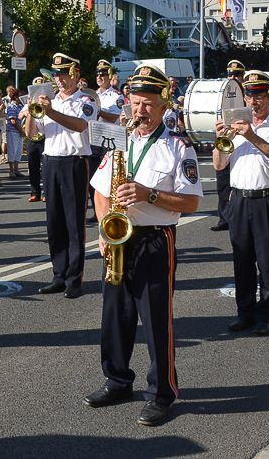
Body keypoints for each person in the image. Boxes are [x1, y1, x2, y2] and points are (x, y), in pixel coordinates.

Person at [85, 65, 203, 427]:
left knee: (155, 321)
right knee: (114, 318)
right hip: (120, 237)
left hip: (155, 239)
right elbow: (100, 190)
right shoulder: (120, 139)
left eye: (148, 104)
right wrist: (106, 231)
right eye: (135, 103)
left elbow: (191, 203)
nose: (140, 111)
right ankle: (118, 380)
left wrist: (149, 193)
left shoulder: (178, 147)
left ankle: (162, 393)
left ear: (163, 105)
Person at [214, 71, 269, 336]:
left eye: (259, 96)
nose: (254, 102)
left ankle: (266, 314)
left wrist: (252, 137)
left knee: (268, 261)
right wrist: (219, 141)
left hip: (266, 200)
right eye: (250, 95)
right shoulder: (234, 128)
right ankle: (244, 311)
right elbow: (219, 164)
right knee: (242, 259)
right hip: (239, 200)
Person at [36, 53, 99, 298]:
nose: (59, 80)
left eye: (63, 75)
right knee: (54, 222)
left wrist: (49, 112)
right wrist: (33, 113)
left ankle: (74, 279)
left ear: (76, 76)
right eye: (56, 76)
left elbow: (81, 126)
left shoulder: (86, 100)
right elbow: (34, 134)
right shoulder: (49, 102)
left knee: (74, 223)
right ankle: (58, 275)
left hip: (74, 162)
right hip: (51, 161)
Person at [210, 60, 245, 232]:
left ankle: (240, 217)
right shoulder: (222, 94)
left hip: (244, 144)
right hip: (226, 141)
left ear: (242, 76)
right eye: (230, 74)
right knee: (223, 183)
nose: (233, 77)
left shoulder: (248, 94)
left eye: (236, 75)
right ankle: (224, 218)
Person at [92, 59, 124, 217]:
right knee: (95, 177)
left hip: (110, 139)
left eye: (103, 74)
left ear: (109, 76)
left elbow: (113, 117)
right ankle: (98, 210)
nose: (99, 77)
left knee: (111, 176)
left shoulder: (116, 96)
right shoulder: (92, 95)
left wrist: (97, 111)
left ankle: (114, 207)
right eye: (98, 74)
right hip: (95, 137)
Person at [24, 76, 47, 202]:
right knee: (32, 166)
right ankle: (34, 192)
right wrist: (28, 109)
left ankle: (46, 192)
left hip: (45, 138)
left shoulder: (47, 103)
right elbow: (20, 114)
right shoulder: (30, 102)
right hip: (32, 139)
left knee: (45, 168)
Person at [4, 87, 24, 178]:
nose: (22, 97)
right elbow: (13, 121)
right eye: (20, 96)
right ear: (15, 97)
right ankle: (11, 171)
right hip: (13, 131)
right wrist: (21, 130)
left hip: (18, 131)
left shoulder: (20, 106)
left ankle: (16, 170)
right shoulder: (11, 106)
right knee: (12, 151)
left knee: (18, 151)